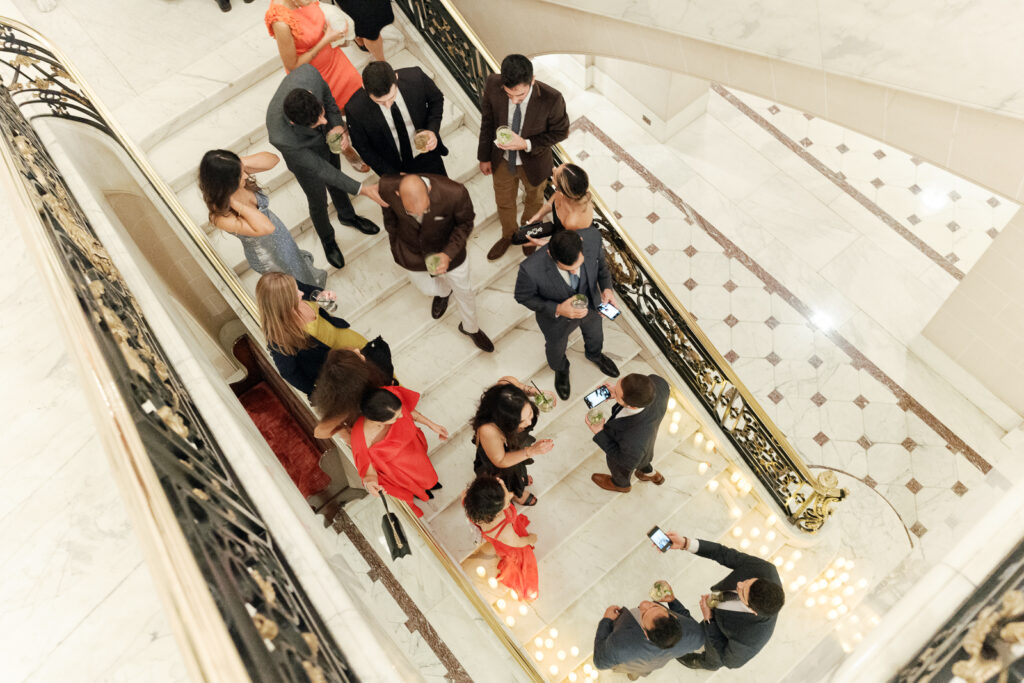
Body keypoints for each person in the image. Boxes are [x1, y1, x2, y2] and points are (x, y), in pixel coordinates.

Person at [266, 65, 385, 269]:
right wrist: (362, 189)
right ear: (295, 122)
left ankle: (348, 216)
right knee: (317, 199)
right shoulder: (281, 136)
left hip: (326, 142)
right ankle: (328, 239)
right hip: (304, 159)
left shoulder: (309, 75)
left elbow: (329, 102)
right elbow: (321, 169)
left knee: (337, 178)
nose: (323, 120)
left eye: (321, 114)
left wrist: (336, 126)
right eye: (317, 121)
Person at [378, 173, 494, 351]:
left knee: (464, 292)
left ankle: (471, 328)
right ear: (398, 195)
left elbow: (465, 224)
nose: (417, 213)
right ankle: (443, 292)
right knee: (427, 288)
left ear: (429, 190)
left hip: (449, 253)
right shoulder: (386, 187)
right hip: (412, 255)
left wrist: (447, 255)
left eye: (423, 209)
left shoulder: (454, 193)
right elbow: (389, 216)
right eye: (411, 211)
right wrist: (395, 242)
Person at [477, 54, 569, 260]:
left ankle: (527, 235)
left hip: (535, 163)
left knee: (534, 201)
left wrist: (526, 144)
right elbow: (488, 121)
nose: (514, 100)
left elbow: (561, 132)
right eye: (509, 95)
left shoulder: (552, 99)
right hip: (501, 159)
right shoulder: (493, 83)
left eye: (520, 95)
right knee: (503, 201)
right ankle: (508, 235)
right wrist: (484, 156)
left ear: (532, 80)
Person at [514, 229, 620, 401]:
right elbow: (522, 296)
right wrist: (557, 309)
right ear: (549, 253)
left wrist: (607, 288)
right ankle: (561, 369)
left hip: (591, 305)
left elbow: (601, 265)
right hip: (557, 321)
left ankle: (594, 355)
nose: (574, 271)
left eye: (578, 265)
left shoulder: (592, 238)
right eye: (567, 269)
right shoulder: (530, 269)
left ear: (581, 241)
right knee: (556, 348)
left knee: (595, 335)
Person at [265, 0, 368, 172]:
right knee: (328, 118)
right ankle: (347, 149)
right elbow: (293, 65)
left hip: (335, 61)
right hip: (312, 75)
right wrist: (325, 39)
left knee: (360, 102)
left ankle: (366, 137)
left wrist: (338, 34)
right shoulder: (281, 22)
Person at [199, 149, 326, 289]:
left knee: (299, 265)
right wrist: (233, 201)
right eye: (240, 175)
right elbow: (266, 228)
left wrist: (237, 163)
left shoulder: (239, 176)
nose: (246, 176)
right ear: (226, 183)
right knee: (296, 285)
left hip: (281, 237)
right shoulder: (220, 217)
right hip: (269, 256)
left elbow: (273, 160)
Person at [662, 533, 785, 670]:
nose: (739, 584)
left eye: (743, 592)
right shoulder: (766, 570)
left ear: (753, 610)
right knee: (701, 630)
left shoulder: (753, 637)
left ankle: (702, 663)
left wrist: (709, 619)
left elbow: (729, 660)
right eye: (748, 581)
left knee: (712, 658)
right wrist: (686, 543)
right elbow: (722, 553)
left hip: (720, 637)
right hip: (720, 605)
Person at [256, 271, 390, 397]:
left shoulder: (295, 291)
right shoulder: (278, 340)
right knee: (377, 390)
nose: (301, 292)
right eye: (295, 292)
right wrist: (315, 392)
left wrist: (323, 295)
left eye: (297, 287)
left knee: (385, 372)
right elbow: (289, 372)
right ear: (283, 303)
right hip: (343, 365)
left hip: (350, 339)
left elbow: (311, 292)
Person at [350, 386, 448, 516]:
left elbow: (410, 412)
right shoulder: (361, 440)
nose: (402, 415)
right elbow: (369, 472)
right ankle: (419, 492)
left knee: (425, 472)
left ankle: (429, 485)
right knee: (412, 482)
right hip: (398, 467)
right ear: (378, 421)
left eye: (400, 411)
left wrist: (432, 425)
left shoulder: (390, 398)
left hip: (413, 448)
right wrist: (370, 484)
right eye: (395, 418)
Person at [345, 61, 448, 177]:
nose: (388, 105)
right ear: (364, 87)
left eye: (392, 97)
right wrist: (390, 175)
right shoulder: (355, 109)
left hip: (427, 153)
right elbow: (363, 147)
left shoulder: (416, 78)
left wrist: (432, 130)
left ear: (396, 77)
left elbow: (437, 100)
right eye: (380, 102)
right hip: (394, 166)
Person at [471, 378, 555, 506]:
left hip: (513, 442)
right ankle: (516, 493)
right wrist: (531, 451)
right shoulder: (488, 430)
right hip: (499, 459)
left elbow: (513, 383)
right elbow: (501, 460)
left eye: (530, 413)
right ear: (505, 421)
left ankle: (520, 478)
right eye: (521, 422)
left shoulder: (506, 387)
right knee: (507, 476)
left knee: (518, 462)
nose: (528, 423)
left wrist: (535, 392)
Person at [587, 373, 671, 493]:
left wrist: (599, 433)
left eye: (617, 392)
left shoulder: (634, 441)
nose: (613, 390)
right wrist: (617, 394)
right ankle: (650, 473)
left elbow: (625, 461)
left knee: (621, 470)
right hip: (645, 445)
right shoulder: (659, 383)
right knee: (643, 460)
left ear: (632, 406)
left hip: (633, 450)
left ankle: (621, 485)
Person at [463, 475, 539, 602]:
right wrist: (530, 539)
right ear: (497, 513)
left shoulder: (471, 501)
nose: (510, 495)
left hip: (501, 534)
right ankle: (529, 592)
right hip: (511, 544)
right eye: (507, 501)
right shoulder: (504, 531)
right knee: (527, 564)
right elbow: (517, 542)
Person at [593, 593, 702, 679]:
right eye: (655, 606)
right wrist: (672, 601)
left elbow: (599, 662)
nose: (644, 603)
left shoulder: (619, 646)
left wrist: (606, 620)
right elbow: (687, 619)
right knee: (644, 670)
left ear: (646, 633)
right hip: (655, 663)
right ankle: (636, 674)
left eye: (644, 613)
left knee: (633, 668)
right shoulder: (695, 635)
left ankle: (634, 674)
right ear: (673, 615)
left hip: (633, 663)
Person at [525, 162, 594, 249]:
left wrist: (539, 242)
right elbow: (554, 199)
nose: (553, 169)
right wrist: (540, 214)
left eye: (555, 173)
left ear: (560, 187)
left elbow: (565, 247)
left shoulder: (572, 221)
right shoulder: (569, 193)